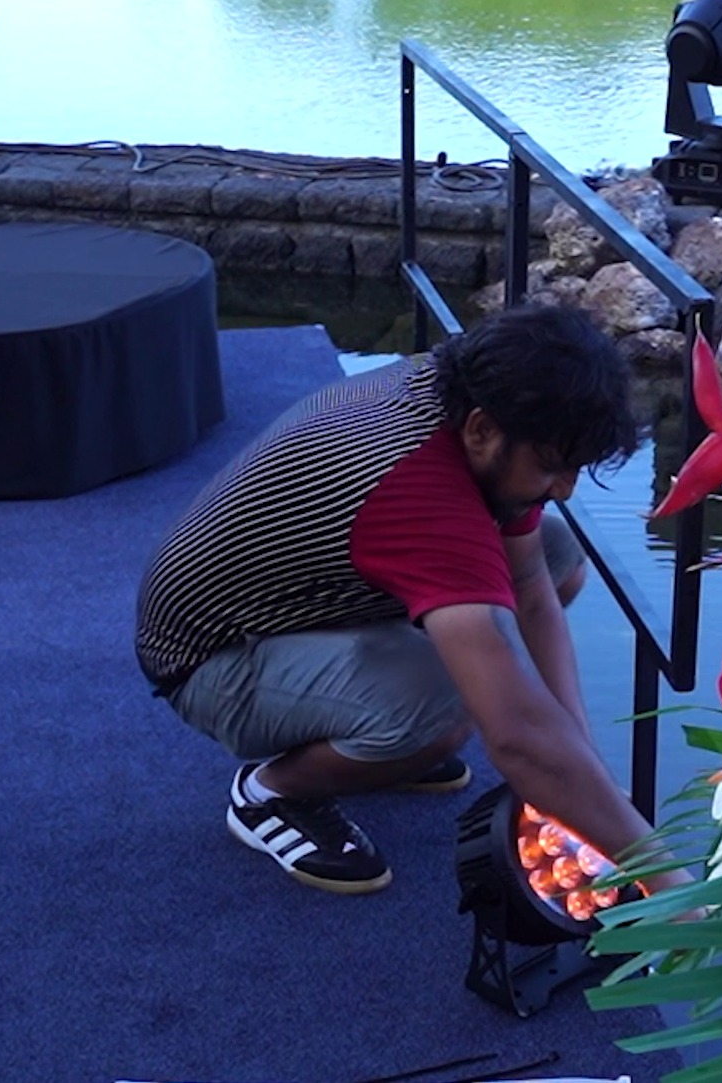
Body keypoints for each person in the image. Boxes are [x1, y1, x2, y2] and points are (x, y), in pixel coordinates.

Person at [135, 304, 688, 899]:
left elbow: (530, 584)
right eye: (554, 467)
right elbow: (515, 736)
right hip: (207, 660)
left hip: (293, 600)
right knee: (448, 708)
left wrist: (581, 764)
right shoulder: (420, 489)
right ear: (480, 430)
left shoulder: (478, 395)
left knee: (557, 558)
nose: (565, 488)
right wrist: (668, 885)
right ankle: (272, 792)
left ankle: (383, 724)